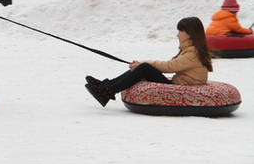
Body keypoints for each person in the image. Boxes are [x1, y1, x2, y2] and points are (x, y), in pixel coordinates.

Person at [85, 17, 213, 107]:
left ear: (191, 33)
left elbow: (170, 66)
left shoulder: (192, 52)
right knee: (143, 68)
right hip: (180, 83)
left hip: (182, 86)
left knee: (145, 68)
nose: (177, 35)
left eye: (180, 31)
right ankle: (105, 86)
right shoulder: (192, 50)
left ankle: (108, 91)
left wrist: (142, 63)